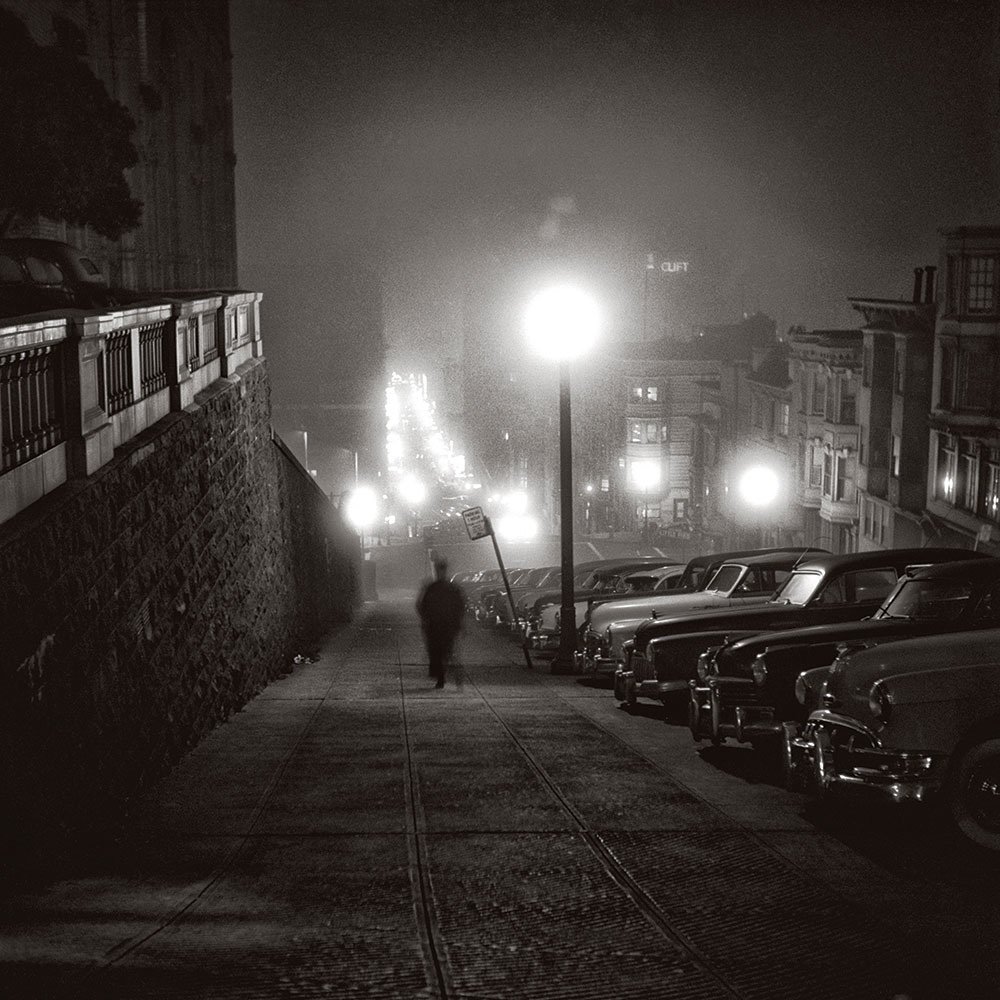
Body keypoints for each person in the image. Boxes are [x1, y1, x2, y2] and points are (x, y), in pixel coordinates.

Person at [416, 558, 465, 688]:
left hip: (435, 625)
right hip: (448, 625)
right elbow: (460, 606)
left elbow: (421, 606)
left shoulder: (432, 588)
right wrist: (458, 622)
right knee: (447, 651)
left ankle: (441, 677)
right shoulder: (452, 588)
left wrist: (426, 619)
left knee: (437, 651)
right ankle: (451, 675)